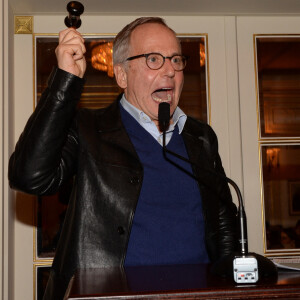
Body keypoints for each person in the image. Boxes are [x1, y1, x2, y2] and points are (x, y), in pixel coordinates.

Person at [8, 17, 238, 300]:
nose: (170, 71)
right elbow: (29, 176)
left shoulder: (200, 137)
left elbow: (223, 220)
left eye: (176, 60)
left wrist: (233, 284)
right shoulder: (88, 128)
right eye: (154, 59)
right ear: (122, 75)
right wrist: (64, 82)